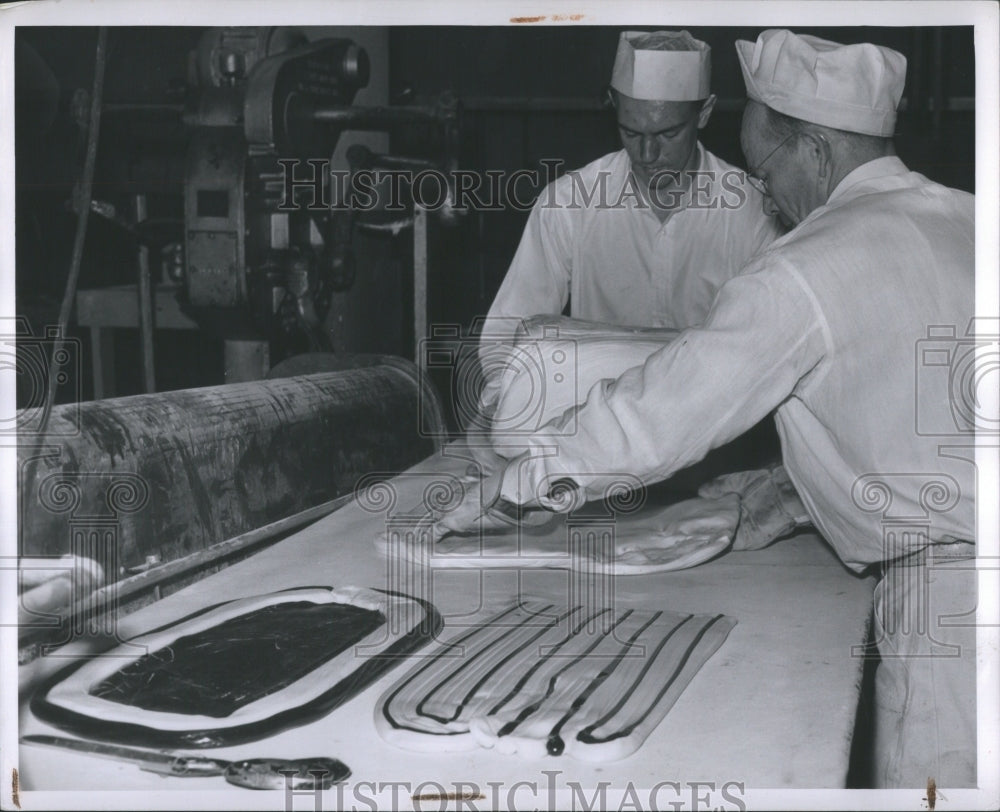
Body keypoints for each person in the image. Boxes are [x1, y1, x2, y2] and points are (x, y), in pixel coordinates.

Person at [441, 29, 978, 788]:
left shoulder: (805, 264)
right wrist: (800, 495)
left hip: (960, 617)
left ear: (816, 153)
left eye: (769, 172)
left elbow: (664, 410)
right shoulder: (968, 216)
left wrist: (516, 484)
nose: (765, 195)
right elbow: (917, 413)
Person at [477, 29, 784, 397]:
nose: (648, 154)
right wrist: (507, 403)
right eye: (631, 132)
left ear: (703, 113)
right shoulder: (569, 204)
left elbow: (771, 347)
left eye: (668, 134)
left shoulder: (753, 211)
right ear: (613, 106)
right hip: (590, 427)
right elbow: (506, 335)